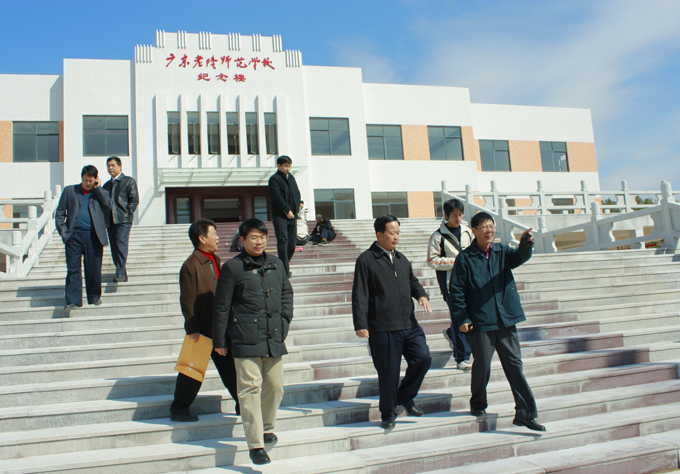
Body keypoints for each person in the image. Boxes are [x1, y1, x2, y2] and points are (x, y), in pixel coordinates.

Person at [448, 211, 545, 432]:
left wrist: (525, 245)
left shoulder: (502, 251)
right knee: (482, 366)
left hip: (506, 319)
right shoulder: (465, 258)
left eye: (491, 226)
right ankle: (478, 403)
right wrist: (462, 318)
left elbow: (518, 258)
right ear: (474, 231)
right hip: (481, 322)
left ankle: (525, 413)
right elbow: (456, 292)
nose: (489, 230)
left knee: (515, 366)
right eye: (484, 227)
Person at [213, 218, 293, 465]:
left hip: (273, 337)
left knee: (276, 387)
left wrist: (284, 321)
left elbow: (286, 293)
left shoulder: (277, 264)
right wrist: (220, 340)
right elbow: (222, 306)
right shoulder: (232, 268)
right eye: (254, 237)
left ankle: (267, 428)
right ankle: (256, 444)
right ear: (242, 240)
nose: (259, 242)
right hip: (245, 338)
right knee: (249, 390)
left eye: (263, 237)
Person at [352, 215, 433, 429]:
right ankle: (388, 413)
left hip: (409, 325)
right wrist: (361, 324)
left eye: (398, 233)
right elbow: (360, 293)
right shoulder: (366, 260)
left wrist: (421, 295)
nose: (396, 237)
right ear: (379, 234)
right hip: (383, 327)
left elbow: (412, 281)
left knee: (423, 358)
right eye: (392, 233)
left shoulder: (401, 258)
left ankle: (405, 397)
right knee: (388, 373)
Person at [170, 219, 239, 422]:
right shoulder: (191, 265)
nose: (217, 238)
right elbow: (188, 299)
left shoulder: (214, 260)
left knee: (231, 369)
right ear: (202, 238)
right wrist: (192, 328)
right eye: (214, 234)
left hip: (220, 327)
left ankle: (243, 404)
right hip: (202, 330)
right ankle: (179, 409)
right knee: (192, 372)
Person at [55, 165, 112, 309]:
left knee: (94, 268)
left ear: (96, 180)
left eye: (91, 180)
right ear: (82, 178)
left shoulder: (101, 193)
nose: (88, 183)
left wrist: (98, 189)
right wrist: (63, 230)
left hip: (94, 236)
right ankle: (73, 300)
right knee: (73, 268)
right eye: (86, 180)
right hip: (74, 236)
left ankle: (94, 296)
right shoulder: (70, 190)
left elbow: (109, 206)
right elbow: (60, 212)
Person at [426, 199, 473, 370]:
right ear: (446, 215)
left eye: (460, 215)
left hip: (470, 284)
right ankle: (462, 357)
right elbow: (432, 260)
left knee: (468, 317)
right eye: (454, 215)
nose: (458, 218)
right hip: (450, 286)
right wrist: (456, 262)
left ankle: (451, 334)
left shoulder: (468, 232)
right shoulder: (437, 236)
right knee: (460, 319)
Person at [103, 156, 139, 282]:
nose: (110, 168)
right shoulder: (106, 185)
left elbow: (134, 199)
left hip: (123, 219)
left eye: (112, 165)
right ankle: (121, 272)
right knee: (114, 247)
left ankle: (120, 272)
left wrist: (128, 212)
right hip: (110, 220)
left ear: (120, 166)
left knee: (120, 244)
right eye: (108, 166)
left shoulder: (129, 181)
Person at [268, 155, 300, 278]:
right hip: (280, 216)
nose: (288, 168)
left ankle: (282, 265)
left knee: (292, 244)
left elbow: (296, 193)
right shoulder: (274, 179)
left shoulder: (291, 178)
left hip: (292, 216)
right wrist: (286, 210)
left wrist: (299, 205)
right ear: (279, 166)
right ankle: (285, 270)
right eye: (286, 166)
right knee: (283, 241)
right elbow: (276, 197)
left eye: (289, 166)